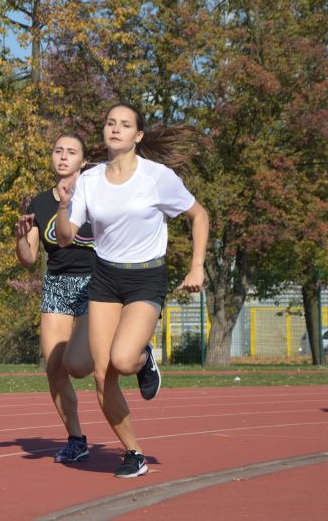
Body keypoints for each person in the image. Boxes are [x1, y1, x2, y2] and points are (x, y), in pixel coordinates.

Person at [55, 104, 208, 478]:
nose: (116, 129)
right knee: (99, 372)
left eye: (125, 125)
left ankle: (143, 358)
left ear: (138, 136)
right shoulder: (89, 181)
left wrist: (197, 265)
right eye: (110, 123)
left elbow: (199, 215)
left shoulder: (158, 177)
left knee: (123, 361)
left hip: (146, 278)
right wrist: (63, 205)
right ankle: (133, 452)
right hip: (105, 277)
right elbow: (64, 238)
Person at [15, 133, 96, 463]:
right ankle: (76, 439)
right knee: (54, 368)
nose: (63, 156)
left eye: (71, 152)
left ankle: (130, 345)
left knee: (80, 367)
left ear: (83, 160)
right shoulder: (40, 203)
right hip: (57, 285)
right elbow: (28, 259)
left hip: (97, 283)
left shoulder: (98, 195)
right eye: (58, 151)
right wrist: (21, 239)